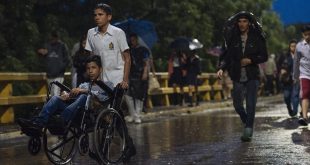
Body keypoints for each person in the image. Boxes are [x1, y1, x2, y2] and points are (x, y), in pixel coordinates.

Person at [84, 3, 136, 163]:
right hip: (101, 81)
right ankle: (129, 147)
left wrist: (125, 80)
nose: (97, 18)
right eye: (95, 15)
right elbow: (91, 57)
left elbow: (127, 58)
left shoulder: (118, 33)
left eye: (100, 14)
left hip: (117, 81)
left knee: (112, 114)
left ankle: (103, 152)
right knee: (111, 114)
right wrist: (92, 76)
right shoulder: (91, 33)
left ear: (109, 17)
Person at [17, 55, 112, 129]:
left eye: (93, 68)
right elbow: (74, 97)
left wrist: (84, 91)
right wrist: (67, 95)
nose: (90, 71)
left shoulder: (107, 85)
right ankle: (37, 123)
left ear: (100, 69)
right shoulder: (83, 84)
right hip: (77, 113)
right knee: (55, 98)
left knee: (84, 97)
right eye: (88, 68)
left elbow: (103, 98)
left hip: (92, 114)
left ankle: (60, 119)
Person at [217, 11, 268, 142]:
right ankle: (247, 122)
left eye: (245, 21)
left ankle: (248, 130)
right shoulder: (232, 38)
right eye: (239, 21)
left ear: (249, 23)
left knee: (251, 104)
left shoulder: (257, 37)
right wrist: (221, 68)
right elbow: (226, 56)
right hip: (237, 75)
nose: (242, 24)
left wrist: (251, 60)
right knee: (238, 105)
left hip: (252, 76)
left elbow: (264, 56)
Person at [124, 33, 150, 124]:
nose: (132, 42)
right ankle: (133, 114)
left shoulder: (143, 49)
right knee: (128, 94)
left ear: (137, 40)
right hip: (130, 74)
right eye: (131, 40)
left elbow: (146, 62)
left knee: (139, 95)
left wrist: (145, 73)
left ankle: (138, 115)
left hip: (140, 74)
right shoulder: (129, 50)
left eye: (133, 40)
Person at [37, 31, 70, 96]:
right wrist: (41, 53)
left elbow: (67, 60)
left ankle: (56, 105)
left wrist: (60, 68)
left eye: (54, 38)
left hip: (59, 75)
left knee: (55, 93)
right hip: (49, 74)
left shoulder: (62, 46)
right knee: (52, 94)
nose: (52, 39)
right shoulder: (47, 46)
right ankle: (57, 106)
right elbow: (40, 53)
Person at [294, 25, 310, 126]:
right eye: (305, 35)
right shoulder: (299, 46)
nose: (307, 36)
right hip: (304, 74)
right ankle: (304, 117)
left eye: (309, 34)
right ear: (302, 35)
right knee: (305, 93)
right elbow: (296, 61)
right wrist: (295, 76)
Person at [278, 39, 299, 117]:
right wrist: (281, 71)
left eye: (295, 46)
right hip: (287, 80)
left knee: (295, 96)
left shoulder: (300, 55)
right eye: (292, 46)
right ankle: (289, 108)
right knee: (286, 97)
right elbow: (279, 65)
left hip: (297, 80)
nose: (293, 48)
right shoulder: (285, 56)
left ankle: (295, 112)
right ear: (289, 47)